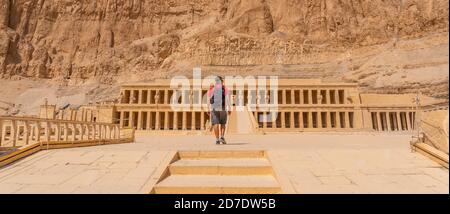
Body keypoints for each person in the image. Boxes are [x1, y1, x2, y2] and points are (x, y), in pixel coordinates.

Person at [207, 76, 231, 145]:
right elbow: (227, 100)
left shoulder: (212, 89)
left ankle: (217, 139)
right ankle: (222, 137)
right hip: (223, 108)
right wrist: (229, 108)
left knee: (215, 123)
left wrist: (208, 108)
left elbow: (209, 100)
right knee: (223, 123)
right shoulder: (225, 89)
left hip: (214, 108)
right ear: (222, 82)